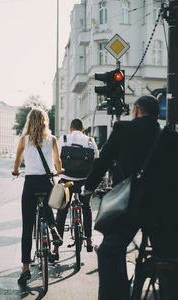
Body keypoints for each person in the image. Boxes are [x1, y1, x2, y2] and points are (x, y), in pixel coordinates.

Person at [84, 95, 178, 300]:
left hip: (129, 207)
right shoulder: (170, 136)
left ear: (135, 110)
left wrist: (88, 188)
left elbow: (103, 160)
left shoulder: (123, 129)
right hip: (163, 212)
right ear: (156, 114)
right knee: (169, 260)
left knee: (108, 251)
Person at [12, 108, 64, 284]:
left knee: (27, 228)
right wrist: (59, 170)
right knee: (48, 205)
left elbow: (18, 159)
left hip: (31, 184)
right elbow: (57, 161)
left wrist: (16, 170)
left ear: (29, 121)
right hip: (46, 181)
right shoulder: (52, 139)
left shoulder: (23, 140)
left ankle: (25, 269)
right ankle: (53, 228)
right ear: (45, 121)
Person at [52, 118, 99, 260]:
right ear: (83, 129)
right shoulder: (90, 140)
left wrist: (57, 171)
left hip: (66, 180)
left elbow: (56, 158)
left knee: (61, 211)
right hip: (84, 181)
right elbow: (96, 158)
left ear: (71, 128)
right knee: (87, 207)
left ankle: (56, 248)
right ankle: (89, 240)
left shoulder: (64, 138)